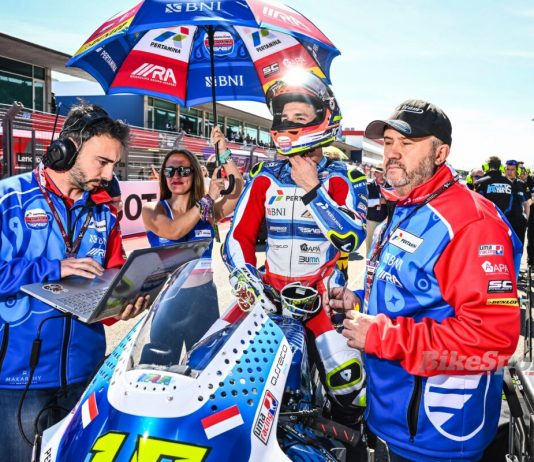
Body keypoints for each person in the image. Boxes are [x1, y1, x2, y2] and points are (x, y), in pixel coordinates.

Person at [325, 99, 522, 462]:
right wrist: (358, 300)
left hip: (438, 437)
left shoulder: (472, 223)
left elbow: (493, 341)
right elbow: (409, 292)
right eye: (388, 142)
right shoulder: (405, 208)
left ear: (440, 153)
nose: (393, 153)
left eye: (407, 143)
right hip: (391, 419)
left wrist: (381, 336)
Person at [0, 102, 149, 462]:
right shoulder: (8, 199)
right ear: (68, 148)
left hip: (86, 375)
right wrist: (53, 268)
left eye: (115, 165)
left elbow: (111, 283)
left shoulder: (105, 213)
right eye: (102, 162)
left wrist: (124, 304)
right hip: (18, 380)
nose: (109, 174)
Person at [223, 71, 368, 429]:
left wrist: (312, 189)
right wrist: (245, 276)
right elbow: (237, 237)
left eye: (299, 116)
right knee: (210, 360)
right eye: (283, 116)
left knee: (351, 388)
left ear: (325, 117)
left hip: (323, 299)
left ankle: (346, 445)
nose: (288, 124)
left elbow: (351, 238)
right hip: (267, 294)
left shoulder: (345, 176)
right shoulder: (264, 175)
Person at [141, 126, 243, 358]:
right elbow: (174, 231)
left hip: (204, 300)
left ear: (194, 174)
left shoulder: (208, 212)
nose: (176, 176)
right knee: (161, 368)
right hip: (168, 301)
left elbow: (237, 193)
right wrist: (207, 199)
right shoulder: (153, 209)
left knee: (204, 366)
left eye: (184, 170)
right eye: (170, 170)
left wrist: (224, 152)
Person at [365, 163, 389, 253]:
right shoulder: (368, 185)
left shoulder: (390, 187)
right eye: (376, 172)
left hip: (385, 221)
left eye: (379, 172)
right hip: (371, 220)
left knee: (382, 245)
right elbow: (365, 202)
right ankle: (368, 261)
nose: (375, 174)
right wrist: (379, 201)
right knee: (370, 244)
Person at [504, 159, 529, 244]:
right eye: (508, 169)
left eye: (512, 169)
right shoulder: (501, 183)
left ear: (517, 171)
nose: (509, 172)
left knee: (519, 248)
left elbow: (526, 203)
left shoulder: (521, 184)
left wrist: (526, 218)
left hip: (519, 223)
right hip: (505, 223)